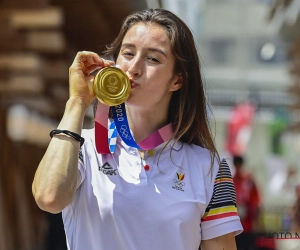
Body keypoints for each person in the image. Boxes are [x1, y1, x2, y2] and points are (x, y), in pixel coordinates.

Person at [32, 8, 243, 250]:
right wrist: (77, 102)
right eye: (128, 53)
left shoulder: (209, 168)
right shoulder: (83, 147)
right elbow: (48, 197)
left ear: (178, 80)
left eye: (153, 58)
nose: (134, 68)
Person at [233, 155, 260, 250]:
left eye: (239, 164)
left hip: (248, 224)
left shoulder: (249, 181)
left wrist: (256, 221)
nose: (238, 166)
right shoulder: (231, 181)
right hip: (234, 225)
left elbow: (256, 201)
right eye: (236, 164)